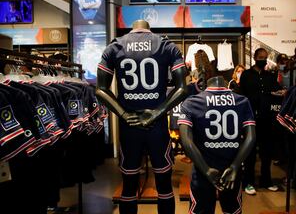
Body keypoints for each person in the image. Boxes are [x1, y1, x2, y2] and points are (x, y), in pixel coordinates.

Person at [96, 20, 188, 214]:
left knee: (129, 185)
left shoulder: (114, 46)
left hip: (130, 125)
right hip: (158, 125)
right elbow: (182, 88)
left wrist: (123, 113)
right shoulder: (166, 45)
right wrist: (157, 112)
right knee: (164, 185)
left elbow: (100, 90)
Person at [178, 68, 256, 214]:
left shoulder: (192, 102)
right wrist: (234, 166)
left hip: (203, 170)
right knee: (232, 210)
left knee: (201, 210)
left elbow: (186, 140)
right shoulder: (242, 101)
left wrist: (206, 170)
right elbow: (251, 137)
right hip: (232, 170)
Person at [240, 48, 285, 195]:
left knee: (266, 153)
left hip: (267, 119)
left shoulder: (270, 76)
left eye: (265, 58)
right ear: (254, 57)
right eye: (260, 57)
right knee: (250, 153)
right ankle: (248, 182)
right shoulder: (246, 75)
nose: (263, 60)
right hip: (250, 119)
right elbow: (242, 95)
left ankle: (266, 181)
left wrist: (281, 92)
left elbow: (277, 91)